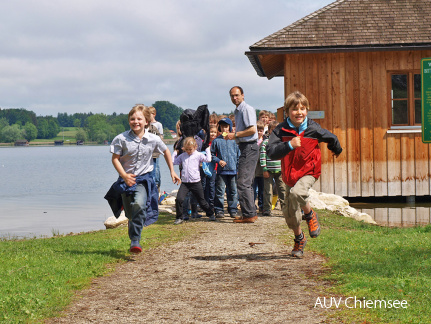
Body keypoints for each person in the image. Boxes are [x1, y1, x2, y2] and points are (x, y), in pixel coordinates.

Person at [267, 91, 342, 258]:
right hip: (289, 174)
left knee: (297, 193)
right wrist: (289, 145)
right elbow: (271, 152)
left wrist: (336, 150)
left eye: (302, 108)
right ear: (287, 112)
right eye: (294, 109)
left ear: (307, 110)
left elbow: (331, 137)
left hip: (309, 171)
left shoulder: (312, 128)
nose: (299, 112)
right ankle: (299, 239)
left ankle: (310, 214)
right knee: (289, 212)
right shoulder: (280, 130)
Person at [107, 104, 181, 253]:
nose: (136, 122)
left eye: (139, 119)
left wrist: (172, 171)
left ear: (146, 121)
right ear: (129, 120)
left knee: (139, 205)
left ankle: (135, 240)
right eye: (132, 119)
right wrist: (124, 176)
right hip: (126, 179)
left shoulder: (153, 139)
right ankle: (132, 223)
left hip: (143, 179)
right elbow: (115, 159)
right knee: (130, 213)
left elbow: (166, 151)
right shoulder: (121, 139)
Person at [224, 86, 259, 223]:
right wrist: (234, 136)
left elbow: (252, 130)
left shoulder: (246, 109)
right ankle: (250, 213)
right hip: (245, 146)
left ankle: (249, 214)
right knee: (246, 182)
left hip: (249, 147)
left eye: (237, 95)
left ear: (243, 95)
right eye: (232, 96)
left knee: (243, 182)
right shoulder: (237, 111)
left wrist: (236, 134)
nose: (234, 98)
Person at [173, 136, 215, 224]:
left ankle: (210, 213)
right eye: (187, 149)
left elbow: (208, 159)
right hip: (185, 183)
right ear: (184, 148)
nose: (188, 151)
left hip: (196, 182)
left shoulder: (198, 155)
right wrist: (175, 153)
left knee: (202, 201)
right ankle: (179, 217)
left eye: (190, 149)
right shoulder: (183, 156)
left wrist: (207, 149)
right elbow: (174, 162)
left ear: (195, 147)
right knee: (179, 199)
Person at [211, 117, 240, 218]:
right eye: (222, 127)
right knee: (220, 191)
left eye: (226, 127)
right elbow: (212, 155)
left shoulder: (235, 141)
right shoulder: (216, 141)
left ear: (230, 128)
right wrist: (219, 161)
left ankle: (233, 209)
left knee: (233, 191)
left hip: (233, 170)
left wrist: (238, 168)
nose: (224, 129)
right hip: (221, 171)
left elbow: (238, 155)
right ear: (220, 128)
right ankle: (219, 210)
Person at [260, 120, 286, 216]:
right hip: (269, 171)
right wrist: (264, 169)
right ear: (269, 131)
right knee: (268, 191)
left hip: (280, 170)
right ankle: (267, 209)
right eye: (273, 129)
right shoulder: (266, 142)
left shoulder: (282, 142)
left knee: (282, 190)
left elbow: (285, 155)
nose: (275, 131)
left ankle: (285, 209)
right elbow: (262, 156)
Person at [148, 106, 163, 192]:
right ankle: (151, 183)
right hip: (148, 151)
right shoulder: (146, 125)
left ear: (154, 114)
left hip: (156, 151)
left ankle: (157, 184)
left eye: (149, 114)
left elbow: (161, 137)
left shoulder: (158, 125)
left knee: (156, 167)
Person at [253, 120, 265, 213]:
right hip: (253, 170)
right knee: (252, 189)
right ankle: (252, 205)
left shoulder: (265, 141)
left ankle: (261, 205)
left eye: (260, 130)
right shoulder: (251, 141)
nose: (259, 132)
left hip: (262, 169)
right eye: (257, 130)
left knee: (262, 189)